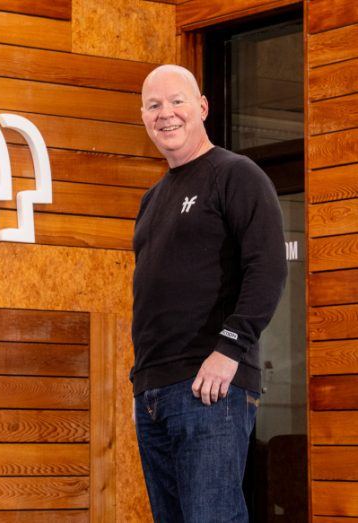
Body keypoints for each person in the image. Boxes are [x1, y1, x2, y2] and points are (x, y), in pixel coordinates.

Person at [131, 64, 287, 522]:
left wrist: (229, 350)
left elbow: (268, 269)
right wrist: (143, 381)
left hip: (210, 387)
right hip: (155, 391)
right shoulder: (152, 199)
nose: (167, 114)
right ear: (143, 116)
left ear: (201, 107)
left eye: (177, 101)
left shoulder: (236, 175)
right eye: (154, 105)